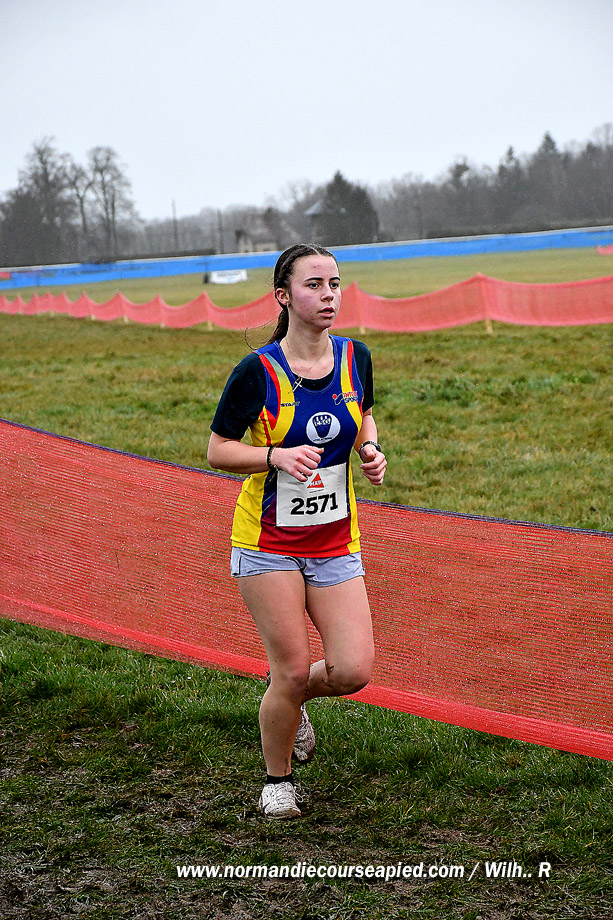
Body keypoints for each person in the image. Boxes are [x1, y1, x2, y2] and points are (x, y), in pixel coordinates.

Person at [207, 243, 386, 819]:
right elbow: (217, 450)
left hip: (335, 541)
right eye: (314, 285)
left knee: (352, 671)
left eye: (334, 283)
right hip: (267, 545)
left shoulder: (356, 357)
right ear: (283, 296)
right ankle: (277, 781)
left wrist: (369, 450)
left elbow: (364, 414)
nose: (328, 295)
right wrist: (274, 457)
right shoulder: (256, 372)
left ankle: (289, 697)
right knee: (289, 666)